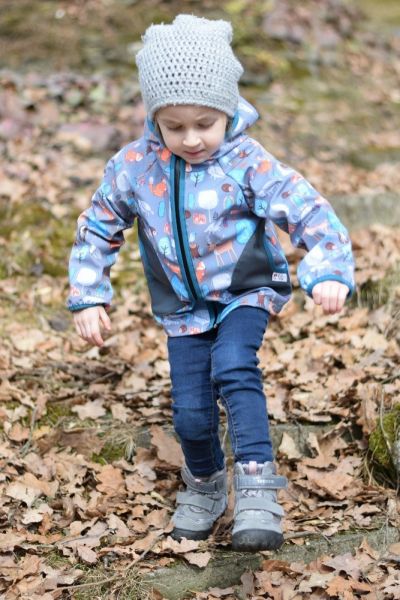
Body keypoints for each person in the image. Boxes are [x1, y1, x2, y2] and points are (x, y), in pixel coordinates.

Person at [67, 14, 355, 552]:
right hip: (182, 308)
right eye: (174, 126)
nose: (192, 138)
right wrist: (89, 295)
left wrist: (329, 272)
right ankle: (204, 483)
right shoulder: (134, 166)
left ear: (227, 109)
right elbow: (98, 224)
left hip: (246, 290)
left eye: (205, 122)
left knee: (234, 366)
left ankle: (256, 484)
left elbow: (309, 211)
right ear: (155, 118)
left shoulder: (246, 161)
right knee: (191, 413)